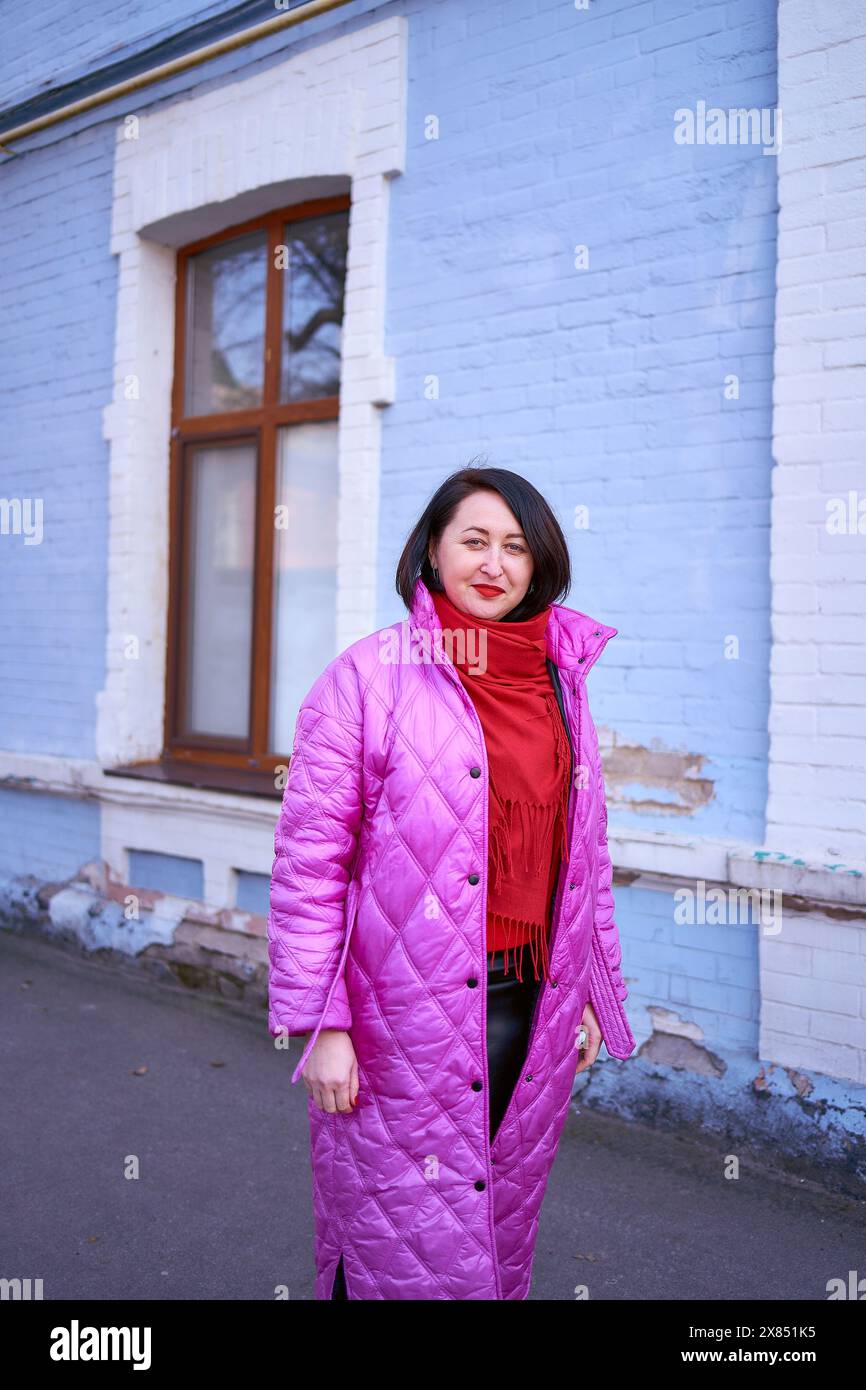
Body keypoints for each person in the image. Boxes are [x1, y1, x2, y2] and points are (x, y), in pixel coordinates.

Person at [268, 464, 636, 1300]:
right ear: (431, 552)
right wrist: (323, 1023)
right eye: (474, 540)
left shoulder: (560, 684)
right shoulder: (365, 678)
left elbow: (582, 861)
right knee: (394, 1231)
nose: (494, 564)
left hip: (531, 1004)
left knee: (495, 1223)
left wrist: (584, 990)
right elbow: (309, 865)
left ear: (539, 565)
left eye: (516, 547)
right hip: (400, 1013)